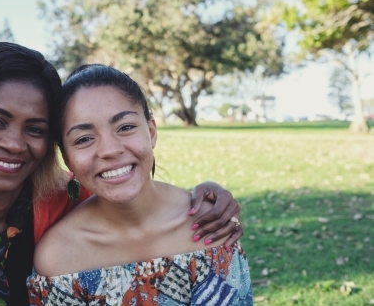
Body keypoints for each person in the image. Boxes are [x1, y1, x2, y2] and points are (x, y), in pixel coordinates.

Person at [0, 43, 243, 306]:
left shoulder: (65, 200)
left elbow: (127, 194)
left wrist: (206, 195)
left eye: (34, 129)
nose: (15, 144)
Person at [27, 64, 252, 305]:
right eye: (84, 139)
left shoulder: (211, 224)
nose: (110, 150)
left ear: (152, 131)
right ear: (67, 156)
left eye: (125, 127)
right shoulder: (59, 258)